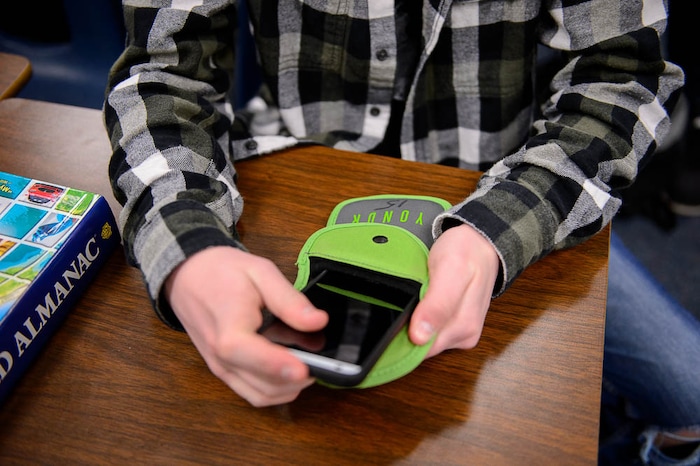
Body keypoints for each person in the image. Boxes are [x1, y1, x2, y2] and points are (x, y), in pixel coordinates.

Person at [104, 1, 698, 463]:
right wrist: (187, 242)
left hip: (506, 181)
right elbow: (161, 74)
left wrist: (494, 231)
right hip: (295, 161)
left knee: (690, 404)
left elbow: (622, 80)